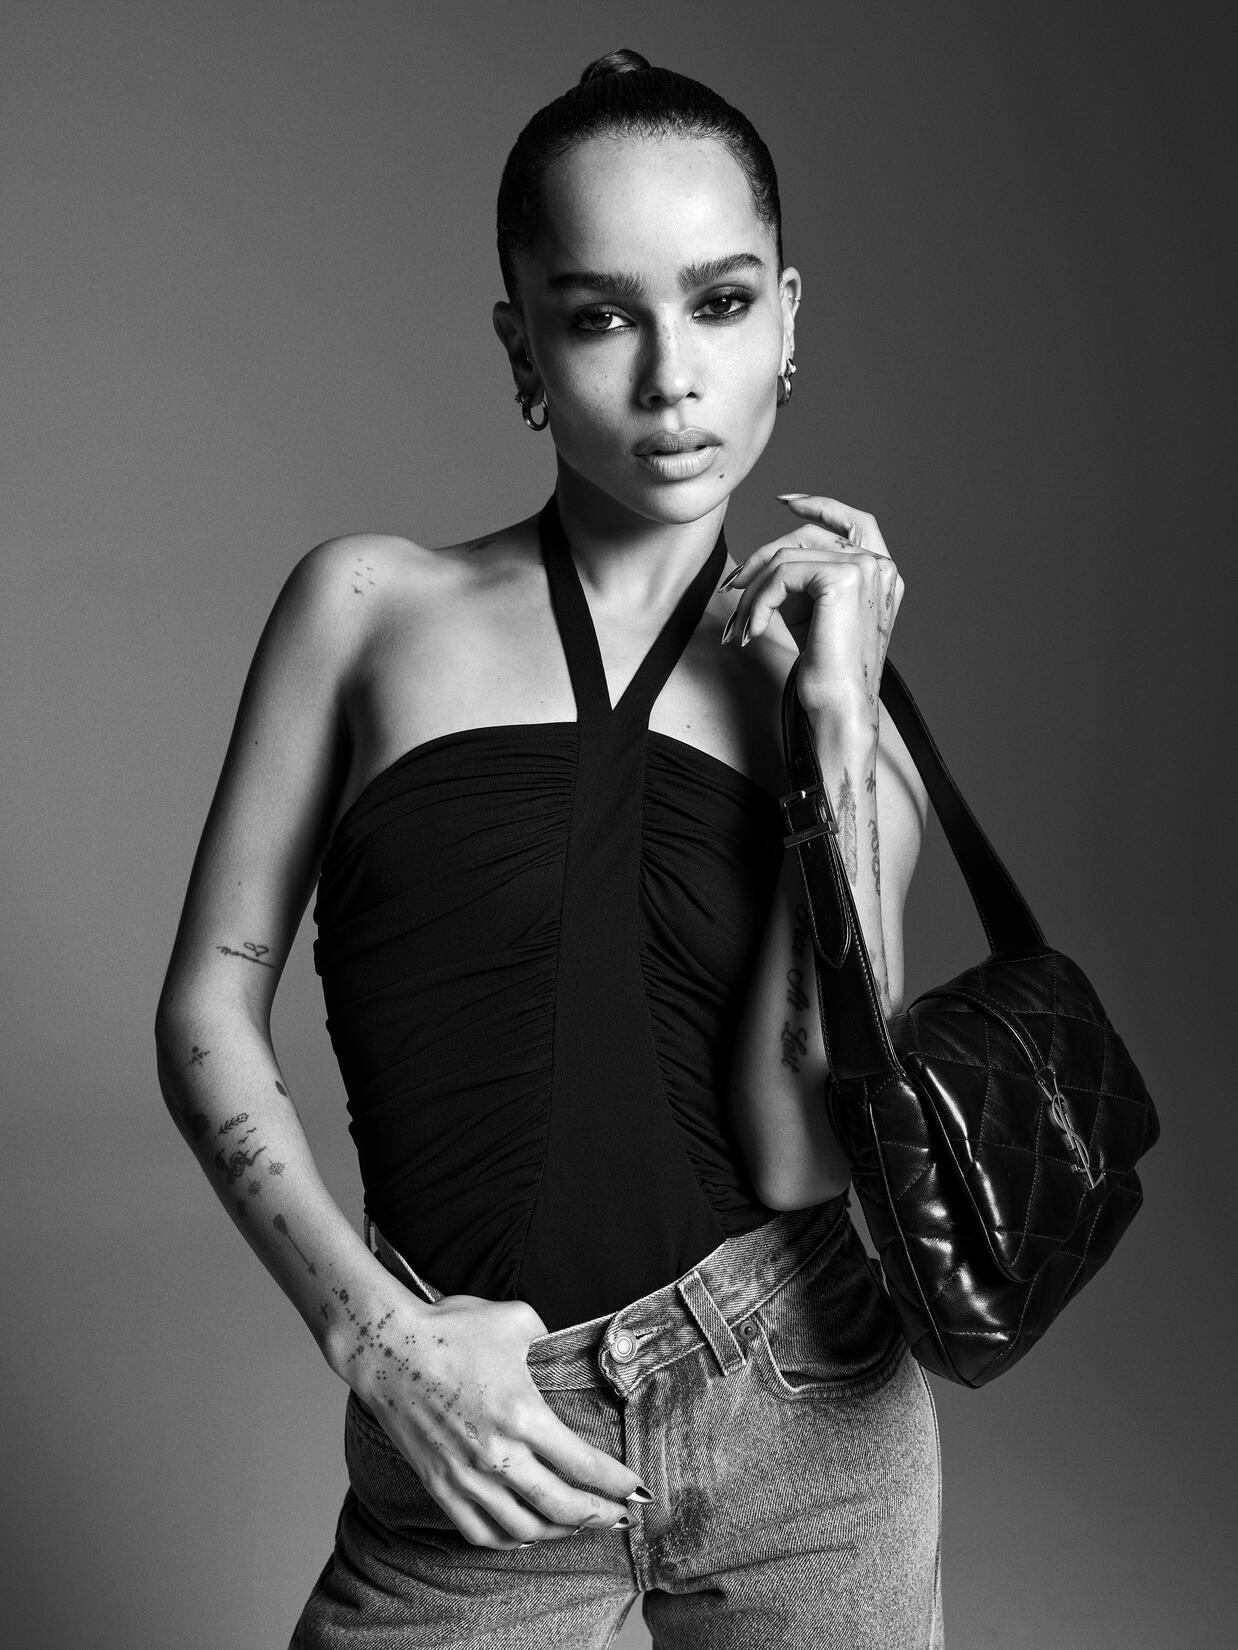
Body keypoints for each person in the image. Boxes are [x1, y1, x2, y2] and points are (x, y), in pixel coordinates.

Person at [156, 47, 941, 1649]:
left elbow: (801, 1148)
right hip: (477, 1427)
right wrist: (374, 1337)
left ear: (786, 317)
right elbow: (206, 1009)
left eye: (719, 303)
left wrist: (830, 723)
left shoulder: (850, 738)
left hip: (803, 1406)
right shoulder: (365, 609)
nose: (670, 377)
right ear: (522, 343)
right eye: (599, 317)